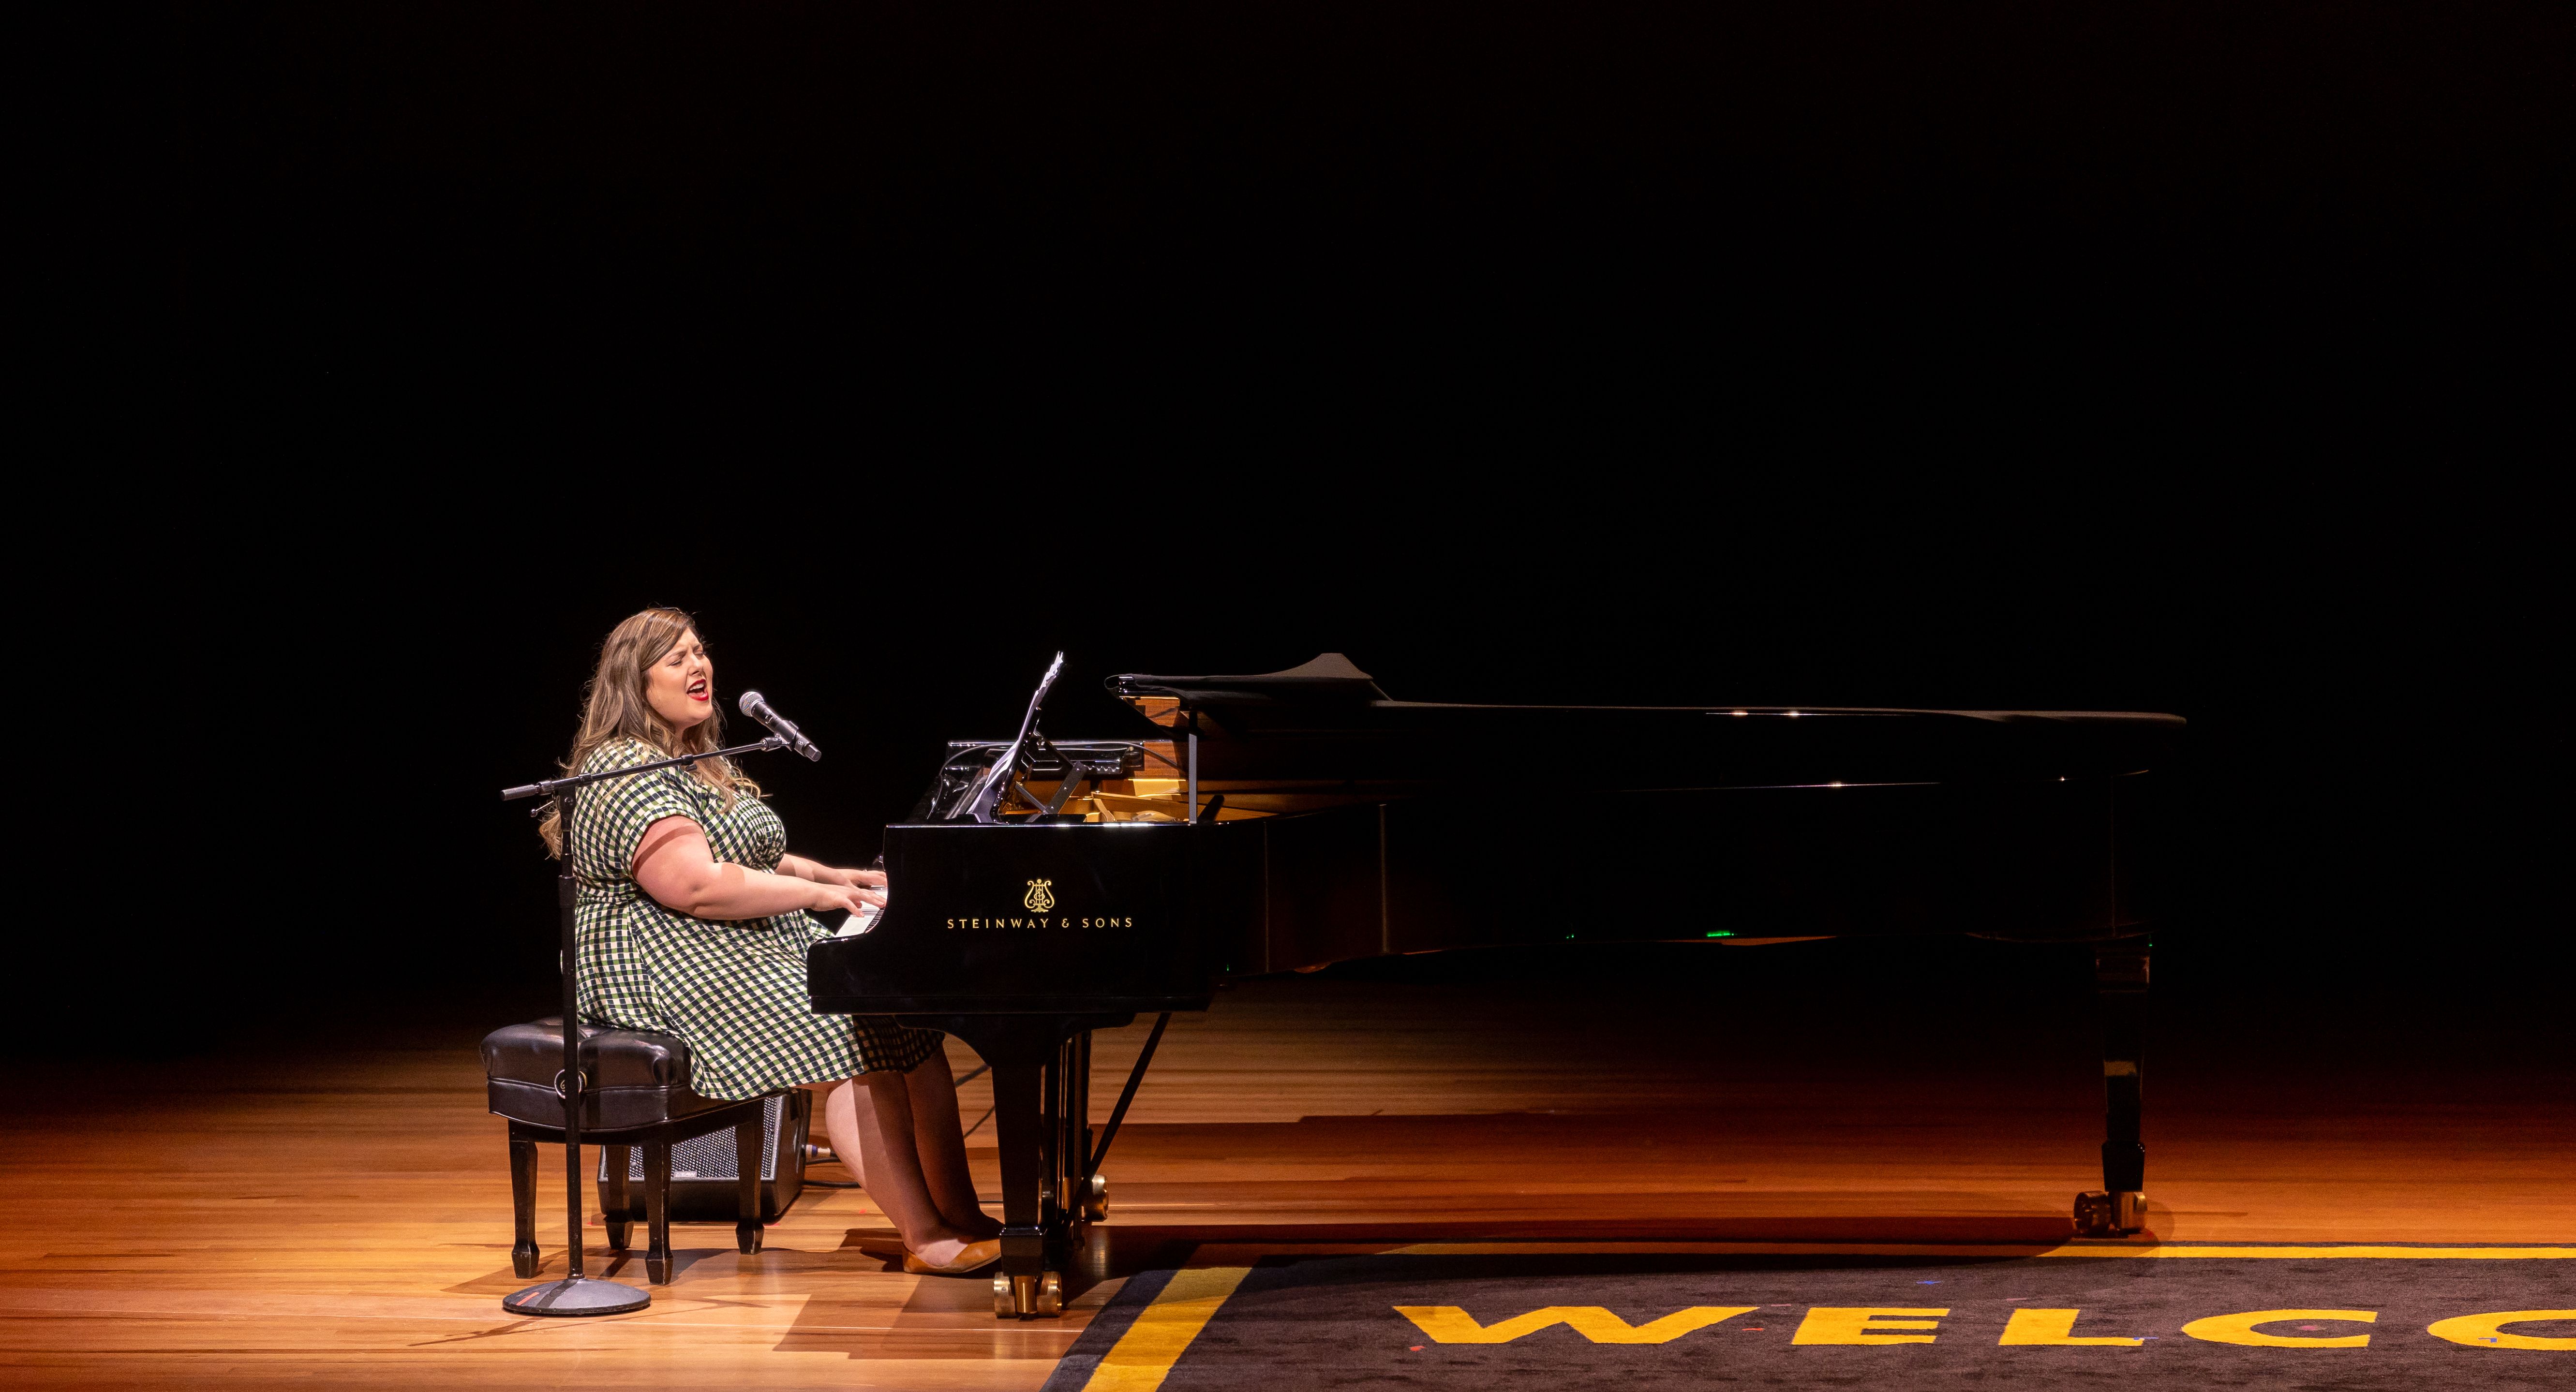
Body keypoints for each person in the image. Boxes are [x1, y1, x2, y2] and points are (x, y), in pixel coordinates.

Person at [538, 607, 999, 1274]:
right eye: (677, 658)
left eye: (700, 651)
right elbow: (695, 885)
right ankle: (924, 1234)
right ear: (634, 685)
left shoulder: (692, 759)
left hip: (726, 944)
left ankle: (966, 1214)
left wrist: (831, 874)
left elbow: (753, 853)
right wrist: (820, 898)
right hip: (658, 963)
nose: (699, 666)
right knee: (851, 1031)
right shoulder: (625, 767)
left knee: (912, 1031)